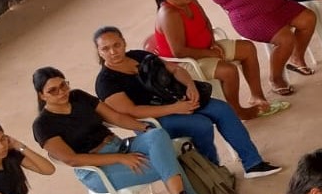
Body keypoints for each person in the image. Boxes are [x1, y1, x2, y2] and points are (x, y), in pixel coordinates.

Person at [30, 66, 236, 194]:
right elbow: (72, 159)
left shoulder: (78, 97)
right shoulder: (43, 125)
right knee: (167, 163)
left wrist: (144, 128)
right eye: (53, 91)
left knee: (157, 134)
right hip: (95, 169)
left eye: (63, 85)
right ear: (41, 95)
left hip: (119, 146)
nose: (62, 92)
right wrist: (120, 158)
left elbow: (116, 117)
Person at [92, 26, 281, 179]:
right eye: (105, 49)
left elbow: (174, 69)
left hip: (176, 101)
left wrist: (190, 86)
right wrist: (175, 108)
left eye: (116, 45)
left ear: (124, 42)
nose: (113, 52)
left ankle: (253, 163)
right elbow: (132, 111)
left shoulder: (138, 56)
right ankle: (213, 172)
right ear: (99, 52)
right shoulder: (106, 81)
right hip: (152, 121)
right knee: (200, 124)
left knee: (222, 109)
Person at [152, 0, 284, 121]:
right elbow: (179, 51)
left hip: (206, 48)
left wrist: (213, 43)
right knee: (229, 71)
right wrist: (209, 53)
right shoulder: (168, 14)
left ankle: (257, 96)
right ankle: (236, 111)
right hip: (183, 63)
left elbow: (206, 21)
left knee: (248, 48)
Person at [202, 0, 317, 97]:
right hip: (250, 18)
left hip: (276, 4)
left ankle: (296, 58)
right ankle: (275, 78)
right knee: (286, 39)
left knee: (308, 19)